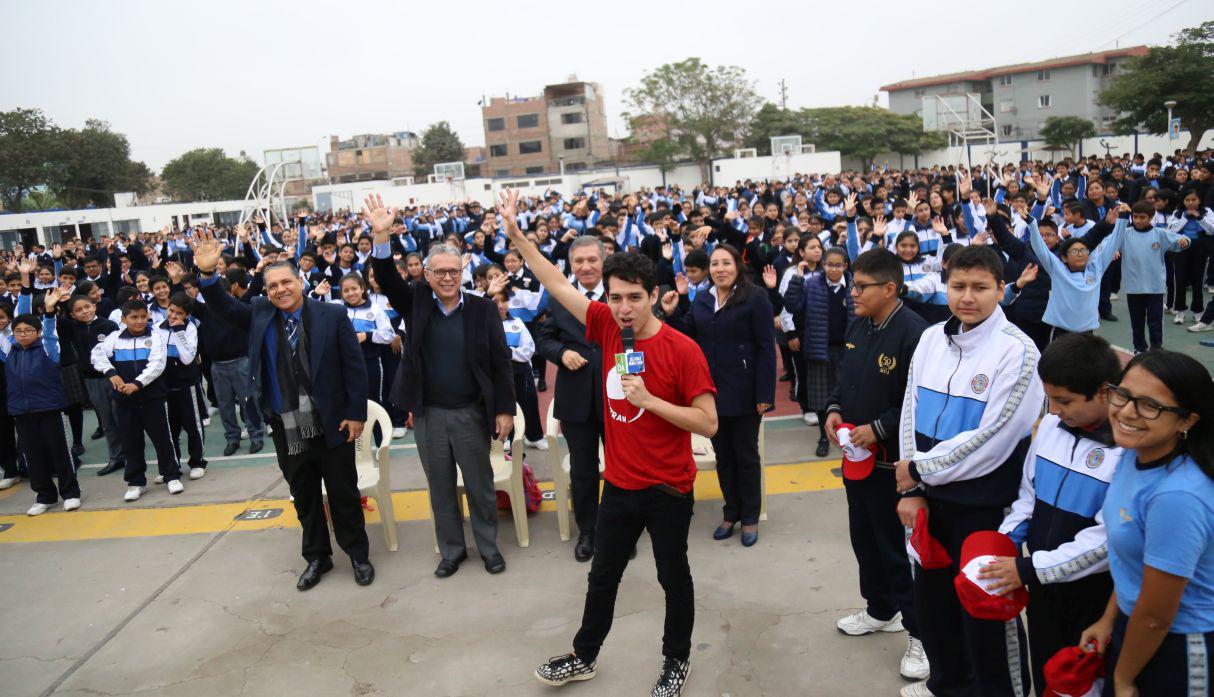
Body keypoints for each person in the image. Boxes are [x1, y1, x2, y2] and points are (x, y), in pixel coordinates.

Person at [501, 188, 718, 697]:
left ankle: (675, 660)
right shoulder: (601, 323)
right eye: (616, 297)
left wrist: (651, 401)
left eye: (634, 298)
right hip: (618, 485)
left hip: (668, 489)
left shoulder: (681, 349)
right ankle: (584, 656)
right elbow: (554, 281)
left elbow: (708, 424)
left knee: (673, 580)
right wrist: (516, 235)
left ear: (653, 294)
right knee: (603, 578)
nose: (622, 308)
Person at [894, 245, 1045, 697]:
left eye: (980, 287)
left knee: (986, 614)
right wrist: (912, 486)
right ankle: (947, 685)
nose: (967, 297)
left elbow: (994, 438)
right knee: (934, 608)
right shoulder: (930, 338)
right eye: (958, 286)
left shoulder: (1019, 352)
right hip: (928, 502)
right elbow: (909, 411)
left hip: (983, 510)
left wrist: (919, 468)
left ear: (1002, 289)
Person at [191, 229, 374, 591]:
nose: (280, 290)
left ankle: (358, 555)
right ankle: (317, 558)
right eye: (272, 286)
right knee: (304, 498)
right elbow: (224, 307)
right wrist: (209, 276)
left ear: (300, 281)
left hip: (333, 423)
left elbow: (355, 368)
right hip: (286, 427)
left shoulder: (331, 315)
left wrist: (356, 414)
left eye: (286, 282)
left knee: (344, 495)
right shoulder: (260, 313)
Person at [363, 194, 516, 580]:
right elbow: (385, 277)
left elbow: (500, 362)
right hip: (429, 414)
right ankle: (451, 551)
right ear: (427, 275)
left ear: (463, 271)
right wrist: (381, 236)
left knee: (480, 486)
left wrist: (504, 410)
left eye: (453, 271)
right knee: (440, 488)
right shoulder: (416, 302)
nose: (447, 278)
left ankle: (488, 547)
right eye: (439, 272)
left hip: (470, 413)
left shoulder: (481, 309)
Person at [980, 333, 1123, 694]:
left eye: (1066, 401)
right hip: (1043, 588)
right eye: (1050, 399)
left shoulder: (1127, 453)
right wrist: (1005, 543)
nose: (1055, 410)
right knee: (1046, 670)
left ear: (1105, 392)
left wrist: (1028, 569)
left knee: (1082, 682)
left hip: (1093, 595)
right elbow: (1029, 496)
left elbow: (1108, 542)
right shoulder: (1050, 429)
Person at [822, 248, 930, 683]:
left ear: (890, 288)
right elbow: (844, 377)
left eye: (861, 286)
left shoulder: (915, 334)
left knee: (896, 548)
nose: (853, 292)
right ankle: (880, 609)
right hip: (856, 459)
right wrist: (833, 408)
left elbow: (916, 400)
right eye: (852, 284)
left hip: (891, 464)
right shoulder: (859, 325)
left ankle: (919, 633)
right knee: (864, 539)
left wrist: (879, 428)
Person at [1080, 351, 1214, 696]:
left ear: (1187, 420)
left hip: (1179, 646)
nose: (1126, 411)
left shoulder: (1178, 497)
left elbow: (1157, 613)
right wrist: (1109, 619)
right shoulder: (1135, 454)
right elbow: (1135, 561)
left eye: (1149, 405)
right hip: (1138, 627)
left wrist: (1123, 679)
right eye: (1122, 394)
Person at [662, 243, 775, 547]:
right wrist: (673, 313)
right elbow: (687, 337)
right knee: (723, 456)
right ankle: (731, 512)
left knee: (746, 457)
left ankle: (750, 516)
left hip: (746, 391)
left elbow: (766, 347)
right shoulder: (702, 299)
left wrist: (765, 392)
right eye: (714, 264)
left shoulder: (755, 298)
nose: (720, 269)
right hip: (710, 392)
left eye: (726, 263)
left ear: (737, 266)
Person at [537, 235, 609, 562]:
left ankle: (619, 528)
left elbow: (638, 339)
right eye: (578, 261)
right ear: (571, 265)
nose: (586, 266)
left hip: (617, 398)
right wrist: (562, 353)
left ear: (603, 261)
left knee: (622, 468)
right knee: (583, 471)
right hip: (576, 398)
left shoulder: (621, 293)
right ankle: (589, 532)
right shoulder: (559, 297)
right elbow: (545, 339)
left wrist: (630, 377)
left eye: (592, 260)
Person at [92, 299, 184, 502]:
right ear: (123, 319)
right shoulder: (114, 338)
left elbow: (157, 365)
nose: (139, 321)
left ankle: (171, 476)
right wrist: (111, 373)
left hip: (152, 399)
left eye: (143, 316)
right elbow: (97, 355)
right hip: (124, 401)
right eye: (133, 317)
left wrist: (136, 384)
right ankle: (136, 482)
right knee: (130, 442)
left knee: (163, 439)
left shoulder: (156, 336)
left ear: (148, 316)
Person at [6, 289, 81, 515]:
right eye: (18, 331)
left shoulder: (48, 348)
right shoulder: (9, 349)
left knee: (60, 452)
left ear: (37, 332)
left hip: (50, 408)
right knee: (33, 455)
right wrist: (24, 288)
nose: (23, 334)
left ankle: (70, 493)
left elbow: (50, 331)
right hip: (21, 410)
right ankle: (45, 496)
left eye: (28, 330)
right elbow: (20, 314)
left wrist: (49, 312)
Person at [784, 245, 855, 457]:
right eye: (830, 264)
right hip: (819, 349)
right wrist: (797, 279)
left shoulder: (853, 285)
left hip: (847, 349)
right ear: (823, 265)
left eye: (838, 265)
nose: (833, 269)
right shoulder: (810, 284)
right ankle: (824, 437)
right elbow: (791, 305)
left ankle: (848, 436)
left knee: (848, 394)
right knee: (821, 398)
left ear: (845, 265)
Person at [1117, 200, 1190, 353]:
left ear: (1151, 218)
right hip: (1133, 287)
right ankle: (1139, 348)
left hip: (1155, 287)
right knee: (1136, 321)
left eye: (1142, 217)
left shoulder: (1160, 234)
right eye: (1135, 217)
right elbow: (1110, 243)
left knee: (1155, 321)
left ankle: (1156, 347)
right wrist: (1113, 250)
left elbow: (1179, 239)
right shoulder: (1125, 234)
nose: (1138, 220)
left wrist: (1184, 241)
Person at [65, 294, 124, 477]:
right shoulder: (73, 328)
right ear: (72, 315)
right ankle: (116, 457)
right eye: (78, 310)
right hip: (91, 380)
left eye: (87, 307)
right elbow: (56, 325)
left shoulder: (108, 326)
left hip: (114, 377)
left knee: (122, 417)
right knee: (106, 420)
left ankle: (132, 454)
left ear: (95, 306)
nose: (84, 311)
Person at [159, 292, 208, 481]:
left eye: (178, 313)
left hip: (187, 385)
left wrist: (179, 331)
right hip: (164, 386)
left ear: (186, 315)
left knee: (193, 425)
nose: (173, 316)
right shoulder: (157, 328)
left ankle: (197, 462)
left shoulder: (189, 329)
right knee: (170, 428)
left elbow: (188, 358)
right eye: (171, 311)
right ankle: (173, 465)